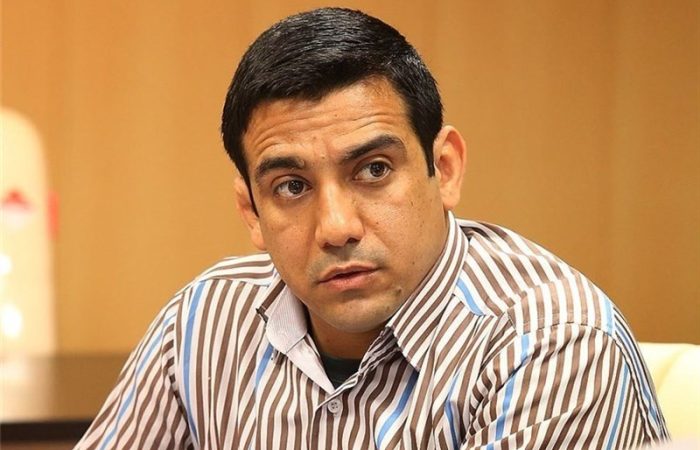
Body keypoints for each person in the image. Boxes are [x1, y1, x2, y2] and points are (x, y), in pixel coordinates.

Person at [76, 7, 668, 449]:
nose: (336, 228)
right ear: (251, 212)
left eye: (374, 170)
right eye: (291, 187)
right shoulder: (203, 322)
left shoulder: (553, 345)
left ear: (445, 169)